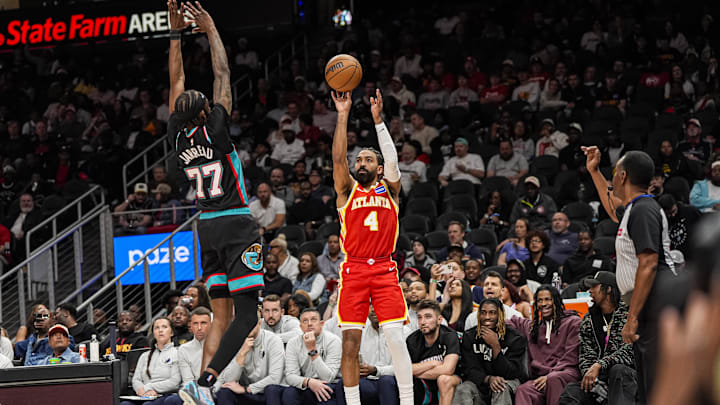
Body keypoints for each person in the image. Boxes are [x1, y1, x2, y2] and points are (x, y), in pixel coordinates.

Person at [167, 4, 263, 403]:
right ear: (207, 110)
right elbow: (222, 73)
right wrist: (210, 30)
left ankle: (200, 390)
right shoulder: (218, 128)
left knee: (218, 315)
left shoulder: (177, 137)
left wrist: (175, 36)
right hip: (237, 222)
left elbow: (176, 83)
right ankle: (207, 381)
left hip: (204, 226)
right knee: (248, 316)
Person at [331, 89, 414, 405]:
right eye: (359, 159)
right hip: (352, 269)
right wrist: (343, 114)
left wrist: (378, 121)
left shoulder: (390, 191)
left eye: (368, 159)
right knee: (350, 344)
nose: (360, 162)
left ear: (378, 168)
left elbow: (392, 160)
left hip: (383, 267)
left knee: (395, 337)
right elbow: (339, 157)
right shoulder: (345, 192)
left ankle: (407, 401)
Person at [582, 146, 677, 404]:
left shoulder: (644, 209)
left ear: (623, 176)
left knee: (657, 385)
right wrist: (595, 171)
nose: (612, 179)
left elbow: (648, 264)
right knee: (647, 385)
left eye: (614, 174)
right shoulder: (634, 209)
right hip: (647, 306)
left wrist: (632, 318)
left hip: (655, 307)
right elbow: (613, 208)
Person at [558, 272, 637, 405]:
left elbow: (630, 351)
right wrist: (592, 379)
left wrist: (600, 365)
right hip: (599, 378)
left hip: (626, 376)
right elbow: (585, 354)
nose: (590, 291)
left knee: (618, 370)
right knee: (571, 392)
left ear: (608, 289)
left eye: (594, 286)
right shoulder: (589, 319)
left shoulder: (628, 315)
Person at [509, 286, 581, 405]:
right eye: (540, 300)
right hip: (541, 378)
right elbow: (511, 321)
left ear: (556, 301)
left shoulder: (572, 322)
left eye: (548, 299)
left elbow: (571, 357)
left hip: (566, 372)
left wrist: (550, 375)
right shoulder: (534, 327)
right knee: (524, 390)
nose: (543, 304)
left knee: (554, 379)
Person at [453, 298, 527, 405]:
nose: (487, 317)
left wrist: (495, 346)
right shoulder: (469, 336)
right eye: (483, 313)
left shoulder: (515, 338)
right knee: (463, 389)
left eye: (492, 313)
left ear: (500, 315)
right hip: (481, 384)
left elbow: (511, 372)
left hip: (508, 383)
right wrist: (489, 379)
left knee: (500, 388)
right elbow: (469, 370)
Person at [264, 308, 342, 405]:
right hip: (306, 384)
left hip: (328, 385)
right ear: (301, 327)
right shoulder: (293, 343)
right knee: (287, 393)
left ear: (321, 324)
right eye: (305, 321)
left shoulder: (333, 341)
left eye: (313, 320)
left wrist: (312, 351)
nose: (309, 324)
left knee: (324, 394)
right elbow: (290, 376)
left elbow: (328, 377)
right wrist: (309, 382)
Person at [333, 305, 400, 405]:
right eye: (370, 306)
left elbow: (406, 367)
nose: (373, 309)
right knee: (343, 383)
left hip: (394, 381)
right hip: (369, 381)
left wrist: (376, 370)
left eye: (377, 305)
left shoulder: (401, 331)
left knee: (385, 381)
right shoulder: (360, 332)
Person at [214, 320, 285, 405]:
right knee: (224, 392)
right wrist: (242, 354)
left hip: (267, 393)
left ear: (259, 323)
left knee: (271, 389)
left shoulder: (273, 340)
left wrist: (247, 389)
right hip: (246, 393)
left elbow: (275, 378)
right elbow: (228, 381)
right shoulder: (234, 342)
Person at [406, 299, 461, 405]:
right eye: (419, 317)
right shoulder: (412, 340)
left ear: (439, 320)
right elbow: (406, 369)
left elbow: (448, 369)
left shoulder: (449, 335)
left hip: (455, 380)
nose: (423, 322)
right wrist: (431, 363)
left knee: (444, 379)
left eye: (428, 317)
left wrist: (417, 372)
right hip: (424, 383)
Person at [122, 317, 180, 405]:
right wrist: (141, 390)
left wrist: (149, 388)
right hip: (144, 395)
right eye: (157, 328)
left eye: (164, 327)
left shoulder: (178, 353)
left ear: (171, 332)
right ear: (153, 333)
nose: (160, 330)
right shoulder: (144, 355)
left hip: (166, 395)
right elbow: (136, 379)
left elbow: (175, 382)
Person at [177, 308, 213, 389]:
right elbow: (188, 380)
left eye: (203, 323)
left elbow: (222, 378)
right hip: (193, 391)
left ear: (211, 324)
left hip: (216, 389)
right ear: (191, 326)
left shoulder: (220, 346)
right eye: (195, 323)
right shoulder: (183, 349)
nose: (199, 328)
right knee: (171, 401)